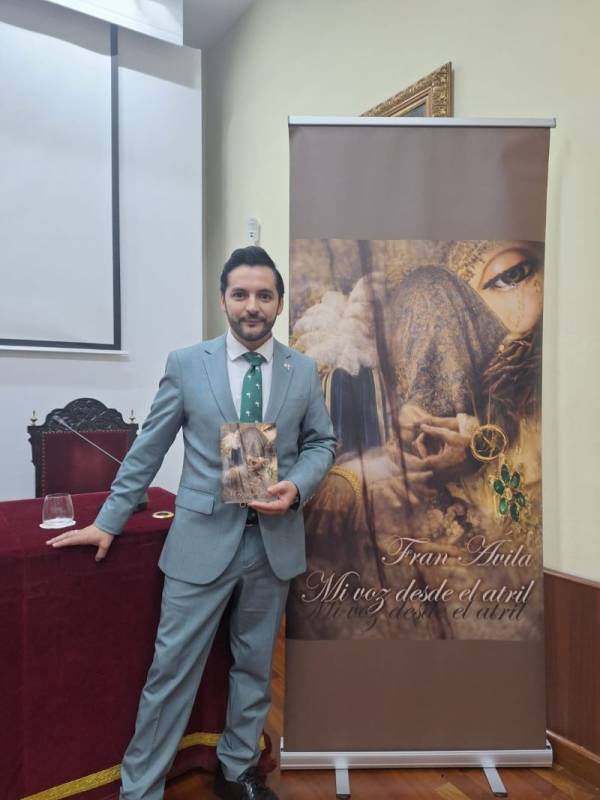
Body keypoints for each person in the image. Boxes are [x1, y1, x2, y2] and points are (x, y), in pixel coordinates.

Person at [46, 245, 336, 800]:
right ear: (224, 300)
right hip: (201, 543)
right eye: (241, 294)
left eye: (264, 295)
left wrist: (298, 485)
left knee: (254, 670)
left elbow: (322, 443)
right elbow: (147, 449)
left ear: (279, 304)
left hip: (272, 546)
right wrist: (109, 520)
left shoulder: (301, 369)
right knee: (171, 673)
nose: (252, 306)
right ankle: (141, 789)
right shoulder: (186, 364)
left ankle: (237, 769)